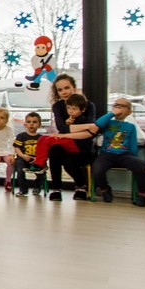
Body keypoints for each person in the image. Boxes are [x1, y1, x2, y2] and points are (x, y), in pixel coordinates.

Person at [61, 98, 145, 207]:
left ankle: (142, 194)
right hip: (107, 154)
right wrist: (111, 113)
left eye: (122, 106)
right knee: (97, 169)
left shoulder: (131, 127)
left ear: (129, 111)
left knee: (140, 166)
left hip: (125, 155)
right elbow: (97, 124)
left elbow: (133, 145)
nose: (118, 107)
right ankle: (105, 189)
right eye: (116, 105)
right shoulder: (107, 123)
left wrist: (132, 158)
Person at [46, 74, 95, 202]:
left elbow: (91, 130)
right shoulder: (57, 106)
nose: (64, 92)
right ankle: (56, 189)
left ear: (74, 87)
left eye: (67, 88)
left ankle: (80, 186)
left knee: (69, 162)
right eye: (60, 90)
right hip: (67, 144)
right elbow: (62, 127)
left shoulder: (88, 105)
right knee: (54, 150)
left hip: (83, 146)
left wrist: (68, 131)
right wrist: (85, 126)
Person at [13, 112, 45, 197]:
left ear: (39, 125)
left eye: (34, 122)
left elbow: (44, 151)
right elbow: (17, 148)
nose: (31, 124)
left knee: (42, 169)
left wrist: (38, 158)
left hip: (36, 159)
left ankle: (37, 187)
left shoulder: (41, 138)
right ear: (25, 124)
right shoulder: (21, 136)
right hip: (23, 159)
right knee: (20, 168)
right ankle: (23, 190)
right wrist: (22, 156)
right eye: (29, 122)